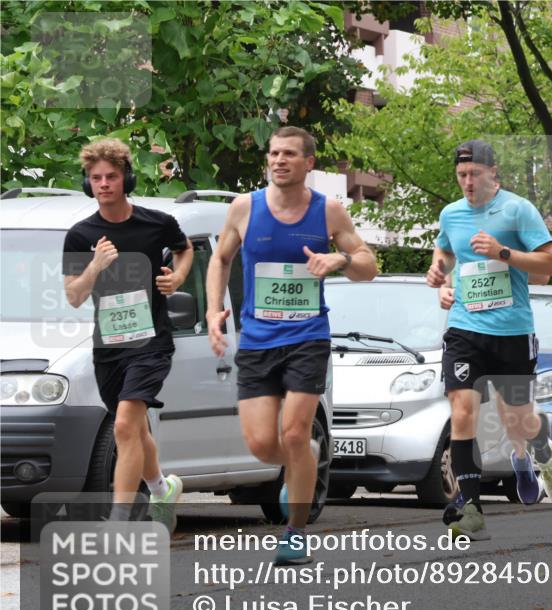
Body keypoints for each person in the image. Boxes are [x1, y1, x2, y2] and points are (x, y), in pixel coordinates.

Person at [206, 126, 377, 564]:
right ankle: (307, 458)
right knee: (263, 445)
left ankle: (294, 532)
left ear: (308, 163)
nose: (279, 160)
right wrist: (213, 311)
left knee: (295, 431)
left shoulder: (329, 211)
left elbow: (368, 266)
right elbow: (221, 258)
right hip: (258, 340)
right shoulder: (245, 207)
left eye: (288, 154)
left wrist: (339, 259)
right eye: (273, 153)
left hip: (307, 337)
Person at [426, 139, 552, 540]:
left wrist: (503, 252)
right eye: (461, 175)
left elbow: (550, 263)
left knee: (517, 421)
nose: (467, 182)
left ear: (493, 173)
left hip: (511, 331)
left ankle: (541, 448)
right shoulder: (451, 214)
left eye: (474, 174)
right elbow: (443, 256)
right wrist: (439, 279)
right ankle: (471, 507)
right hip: (464, 328)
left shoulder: (518, 209)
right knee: (462, 412)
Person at [63, 138, 193, 529]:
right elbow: (74, 296)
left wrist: (178, 276)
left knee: (123, 425)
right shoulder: (81, 235)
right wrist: (96, 266)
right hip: (109, 346)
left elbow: (184, 249)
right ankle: (161, 490)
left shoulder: (156, 223)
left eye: (112, 176)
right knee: (134, 428)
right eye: (96, 178)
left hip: (151, 342)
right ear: (88, 184)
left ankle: (120, 519)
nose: (103, 184)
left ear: (127, 179)